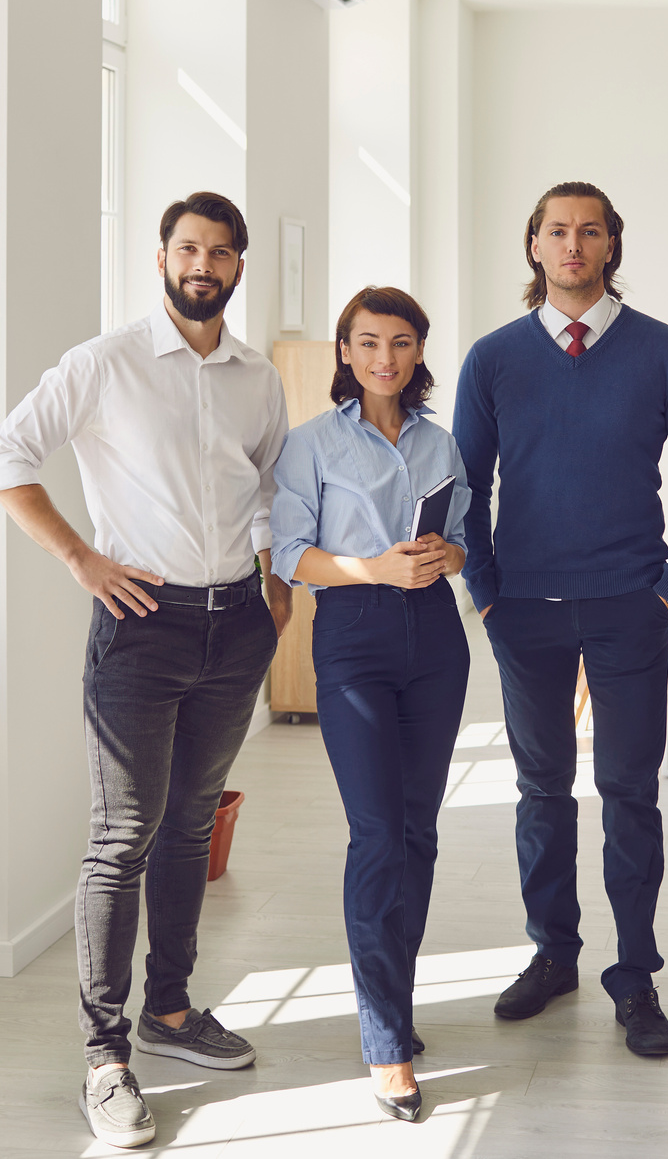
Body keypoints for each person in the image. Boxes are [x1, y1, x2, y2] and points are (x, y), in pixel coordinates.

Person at [0, 191, 292, 1150]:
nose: (203, 264)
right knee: (123, 836)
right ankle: (105, 1058)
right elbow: (5, 456)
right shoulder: (105, 362)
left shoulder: (257, 377)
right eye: (187, 248)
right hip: (141, 626)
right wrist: (81, 558)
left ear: (239, 266)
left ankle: (170, 1011)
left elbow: (276, 483)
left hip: (235, 625)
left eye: (220, 252)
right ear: (161, 258)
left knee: (192, 825)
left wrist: (275, 589)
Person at [453, 181, 668, 1056]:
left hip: (627, 603)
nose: (573, 244)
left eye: (590, 231)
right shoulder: (492, 359)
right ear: (534, 245)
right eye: (557, 231)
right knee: (539, 790)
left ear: (611, 246)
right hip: (524, 605)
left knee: (629, 792)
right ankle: (553, 953)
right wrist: (485, 589)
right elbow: (466, 489)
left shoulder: (667, 353)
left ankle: (634, 974)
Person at [269, 286, 472, 1124]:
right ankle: (385, 1039)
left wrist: (445, 553)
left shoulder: (440, 441)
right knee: (378, 832)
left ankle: (398, 1000)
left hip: (434, 637)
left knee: (420, 832)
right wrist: (373, 569)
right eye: (365, 341)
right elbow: (291, 554)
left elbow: (463, 541)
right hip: (352, 636)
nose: (383, 356)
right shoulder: (310, 444)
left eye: (399, 341)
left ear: (419, 351)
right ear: (344, 353)